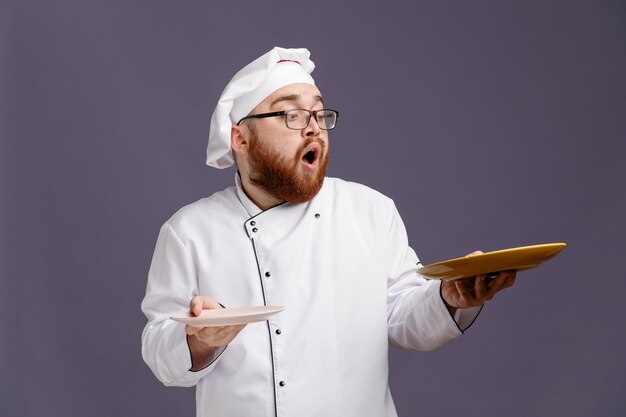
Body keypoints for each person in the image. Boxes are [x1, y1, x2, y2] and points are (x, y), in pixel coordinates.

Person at [141, 47, 515, 417]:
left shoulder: (369, 210)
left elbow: (404, 316)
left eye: (319, 113)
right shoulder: (189, 231)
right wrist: (196, 340)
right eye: (291, 113)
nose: (313, 127)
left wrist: (448, 296)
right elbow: (159, 352)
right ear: (240, 139)